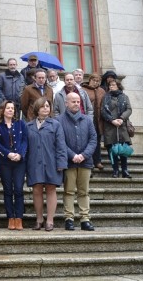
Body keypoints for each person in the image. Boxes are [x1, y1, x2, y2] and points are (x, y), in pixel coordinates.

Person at [26, 97, 68, 232]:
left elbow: (61, 146)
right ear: (37, 109)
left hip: (51, 161)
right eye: (43, 106)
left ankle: (50, 220)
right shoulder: (28, 126)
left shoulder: (55, 125)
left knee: (51, 189)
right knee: (36, 189)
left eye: (48, 106)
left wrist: (61, 163)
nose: (46, 108)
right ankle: (39, 219)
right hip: (34, 162)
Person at [58, 92, 98, 232]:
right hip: (69, 162)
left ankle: (85, 219)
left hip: (85, 162)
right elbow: (60, 142)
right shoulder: (59, 120)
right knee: (68, 191)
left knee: (84, 192)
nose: (76, 104)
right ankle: (69, 218)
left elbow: (93, 139)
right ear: (66, 103)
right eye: (73, 101)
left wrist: (84, 155)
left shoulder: (87, 120)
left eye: (77, 101)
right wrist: (72, 155)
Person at [0, 100, 28, 231]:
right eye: (8, 108)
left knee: (19, 189)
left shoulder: (20, 124)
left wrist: (20, 154)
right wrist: (7, 154)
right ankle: (10, 217)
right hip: (5, 162)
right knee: (8, 190)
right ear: (3, 110)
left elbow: (25, 140)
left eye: (12, 108)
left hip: (19, 162)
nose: (10, 110)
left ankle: (19, 217)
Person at [102, 80, 133, 178]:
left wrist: (122, 118)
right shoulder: (106, 97)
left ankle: (124, 170)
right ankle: (115, 170)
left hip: (122, 126)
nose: (111, 87)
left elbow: (129, 109)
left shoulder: (124, 97)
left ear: (118, 86)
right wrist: (112, 120)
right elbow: (103, 111)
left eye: (113, 85)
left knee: (123, 149)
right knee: (112, 150)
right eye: (110, 85)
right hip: (110, 126)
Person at [82, 73, 106, 170]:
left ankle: (98, 161)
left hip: (98, 120)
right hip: (87, 120)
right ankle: (89, 161)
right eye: (94, 80)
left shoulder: (101, 91)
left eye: (98, 81)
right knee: (88, 141)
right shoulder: (83, 89)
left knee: (97, 141)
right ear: (90, 80)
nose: (96, 83)